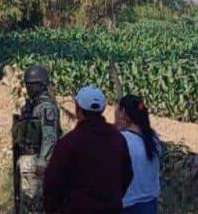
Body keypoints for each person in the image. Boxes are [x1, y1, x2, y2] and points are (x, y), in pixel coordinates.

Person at [43, 86, 132, 214]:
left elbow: (53, 184)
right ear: (102, 109)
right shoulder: (118, 139)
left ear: (77, 109)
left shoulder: (68, 143)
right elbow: (127, 175)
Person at [12, 65, 63, 214]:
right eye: (27, 84)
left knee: (35, 205)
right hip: (25, 160)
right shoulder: (29, 106)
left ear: (41, 85)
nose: (28, 88)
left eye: (31, 84)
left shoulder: (46, 108)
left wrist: (43, 162)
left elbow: (50, 137)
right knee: (24, 204)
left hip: (36, 162)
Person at [115, 95, 161, 214]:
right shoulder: (153, 139)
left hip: (129, 205)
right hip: (151, 204)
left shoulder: (122, 140)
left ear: (123, 113)